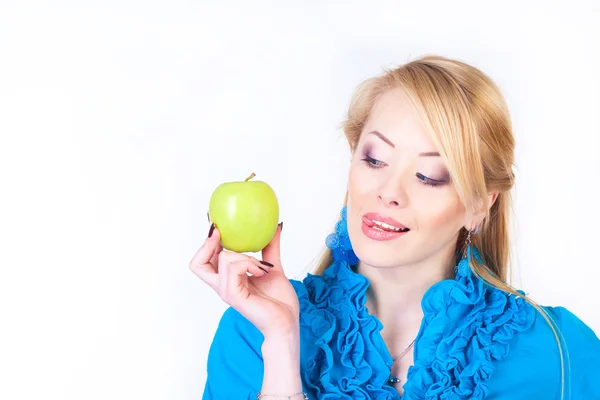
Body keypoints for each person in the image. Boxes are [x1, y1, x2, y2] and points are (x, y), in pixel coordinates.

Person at [190, 55, 600, 399]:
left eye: (427, 175)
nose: (389, 191)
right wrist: (281, 344)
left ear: (479, 206)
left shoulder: (562, 352)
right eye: (374, 159)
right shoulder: (254, 333)